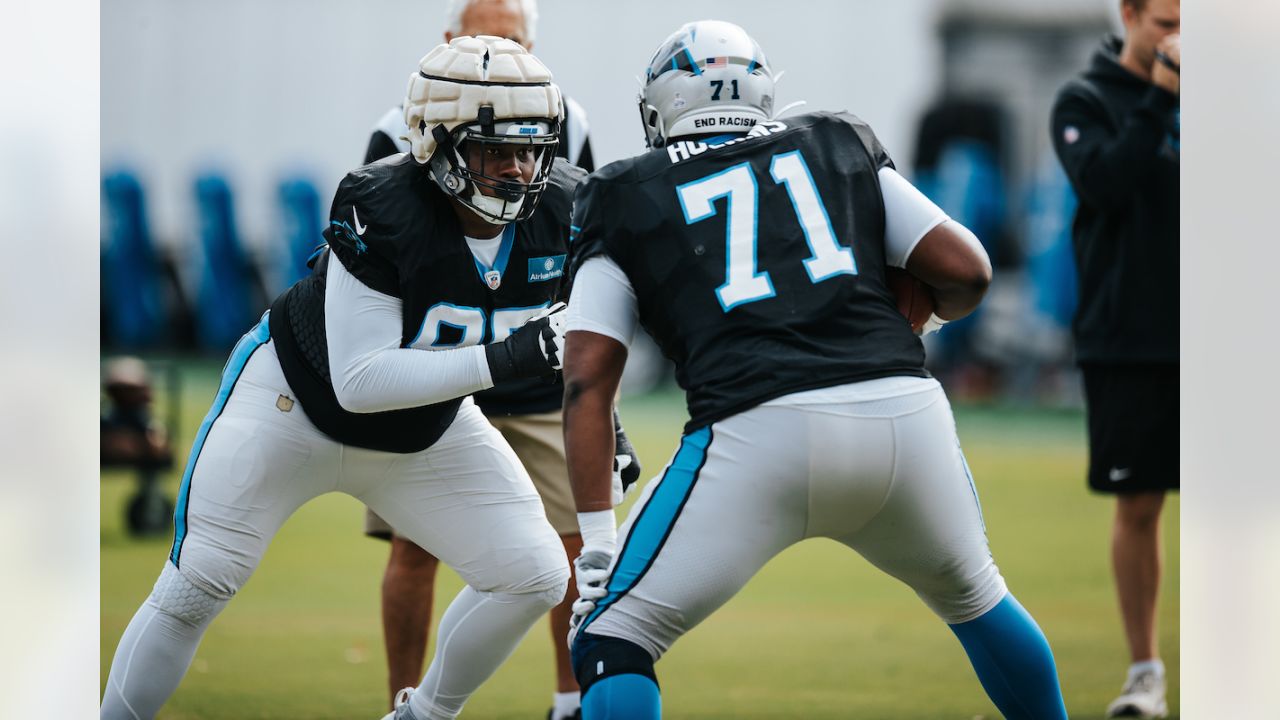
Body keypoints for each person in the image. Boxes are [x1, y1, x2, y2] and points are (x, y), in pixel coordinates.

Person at [559, 20, 1070, 720]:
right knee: (978, 598)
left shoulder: (621, 191)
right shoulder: (834, 140)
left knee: (614, 635)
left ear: (660, 107)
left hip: (753, 432)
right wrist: (912, 322)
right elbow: (968, 271)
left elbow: (587, 377)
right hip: (901, 416)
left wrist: (595, 543)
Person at [102, 36, 579, 720]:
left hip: (426, 429)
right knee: (199, 584)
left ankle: (420, 716)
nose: (515, 169)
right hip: (293, 405)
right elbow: (360, 381)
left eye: (529, 149)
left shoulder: (566, 209)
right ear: (436, 143)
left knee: (532, 575)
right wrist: (508, 359)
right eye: (492, 149)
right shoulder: (384, 203)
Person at [360, 3, 612, 719]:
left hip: (537, 372)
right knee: (414, 549)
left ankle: (569, 703)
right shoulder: (400, 123)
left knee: (569, 549)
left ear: (535, 46)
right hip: (437, 372)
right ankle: (403, 703)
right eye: (484, 36)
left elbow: (586, 250)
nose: (500, 49)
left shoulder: (571, 121)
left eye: (514, 39)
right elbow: (381, 257)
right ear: (448, 43)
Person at [1050, 1, 1179, 717]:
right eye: (1164, 20)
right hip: (1128, 339)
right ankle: (1145, 674)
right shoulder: (1086, 98)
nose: (1177, 35)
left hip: (1224, 334)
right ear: (1129, 14)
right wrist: (1163, 95)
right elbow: (1104, 184)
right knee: (1139, 504)